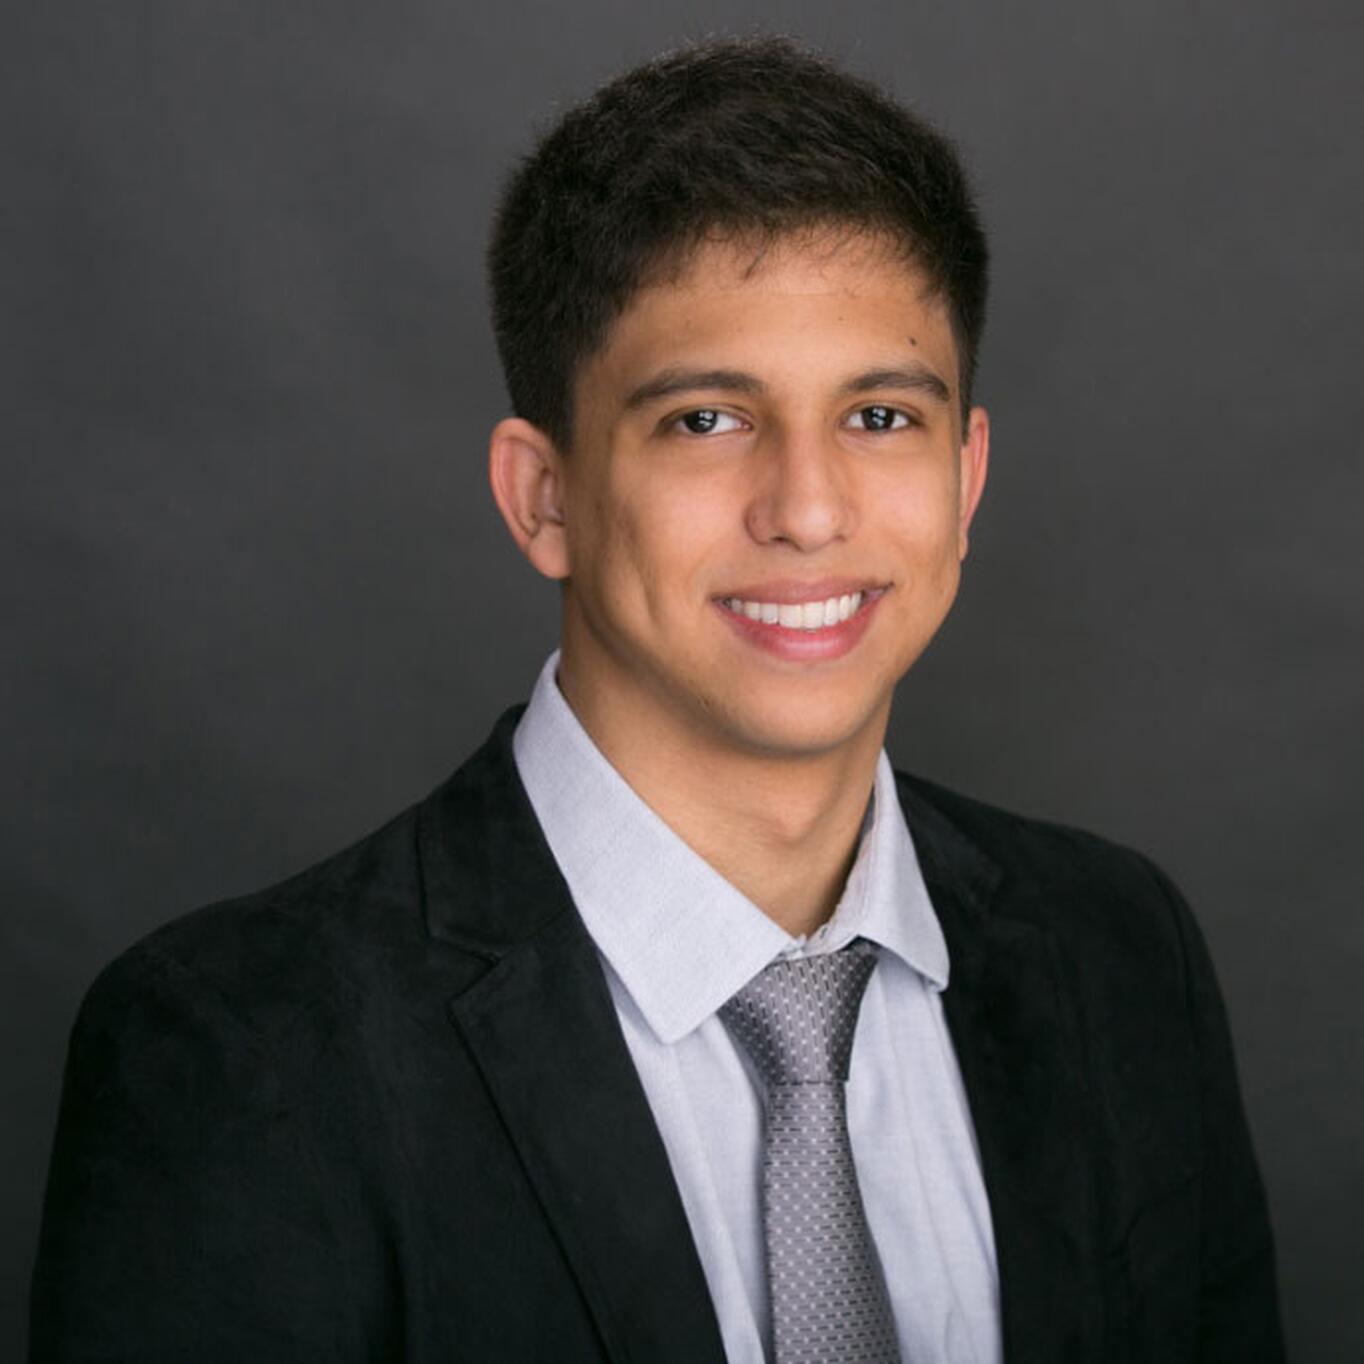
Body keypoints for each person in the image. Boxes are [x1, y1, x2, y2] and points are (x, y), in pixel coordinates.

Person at [29, 37, 1284, 1364]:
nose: (809, 511)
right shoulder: (243, 1057)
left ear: (965, 481)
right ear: (543, 498)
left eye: (879, 417)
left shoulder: (1120, 957)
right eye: (705, 419)